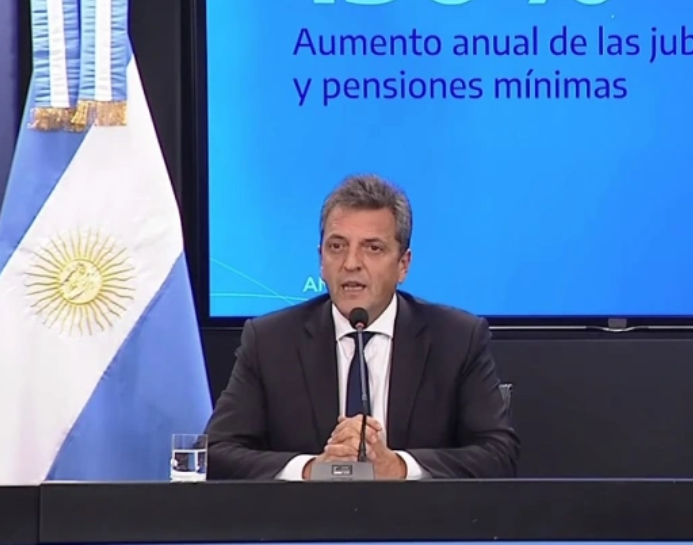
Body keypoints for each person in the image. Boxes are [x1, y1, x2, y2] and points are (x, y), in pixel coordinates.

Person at [205, 174, 519, 480]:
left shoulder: (457, 339)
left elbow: (498, 454)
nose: (351, 263)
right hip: (306, 515)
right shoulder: (270, 342)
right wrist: (312, 469)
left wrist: (399, 467)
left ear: (403, 265)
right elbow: (217, 453)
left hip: (417, 515)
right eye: (337, 246)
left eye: (372, 248)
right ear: (321, 260)